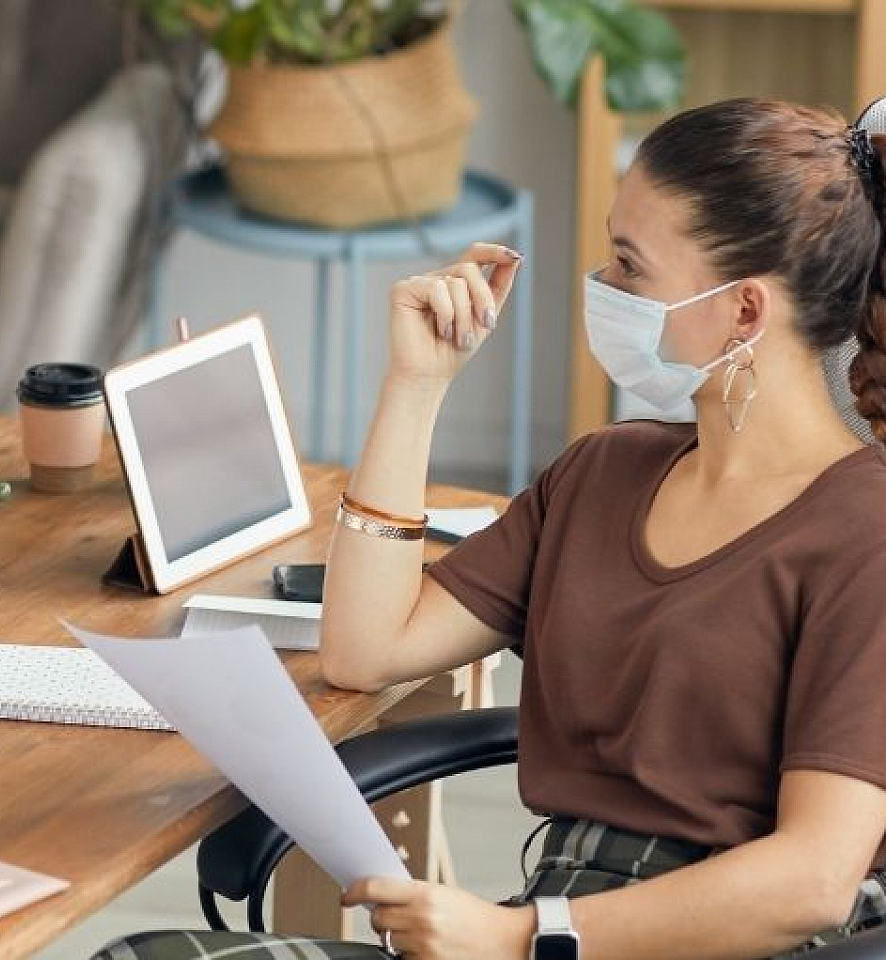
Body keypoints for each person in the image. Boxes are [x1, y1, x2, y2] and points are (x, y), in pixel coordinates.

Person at [98, 97, 886, 960]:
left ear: (743, 312)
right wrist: (417, 385)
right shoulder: (601, 475)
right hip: (545, 922)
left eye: (629, 265)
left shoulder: (864, 534)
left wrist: (524, 935)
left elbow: (814, 879)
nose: (602, 288)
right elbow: (365, 650)